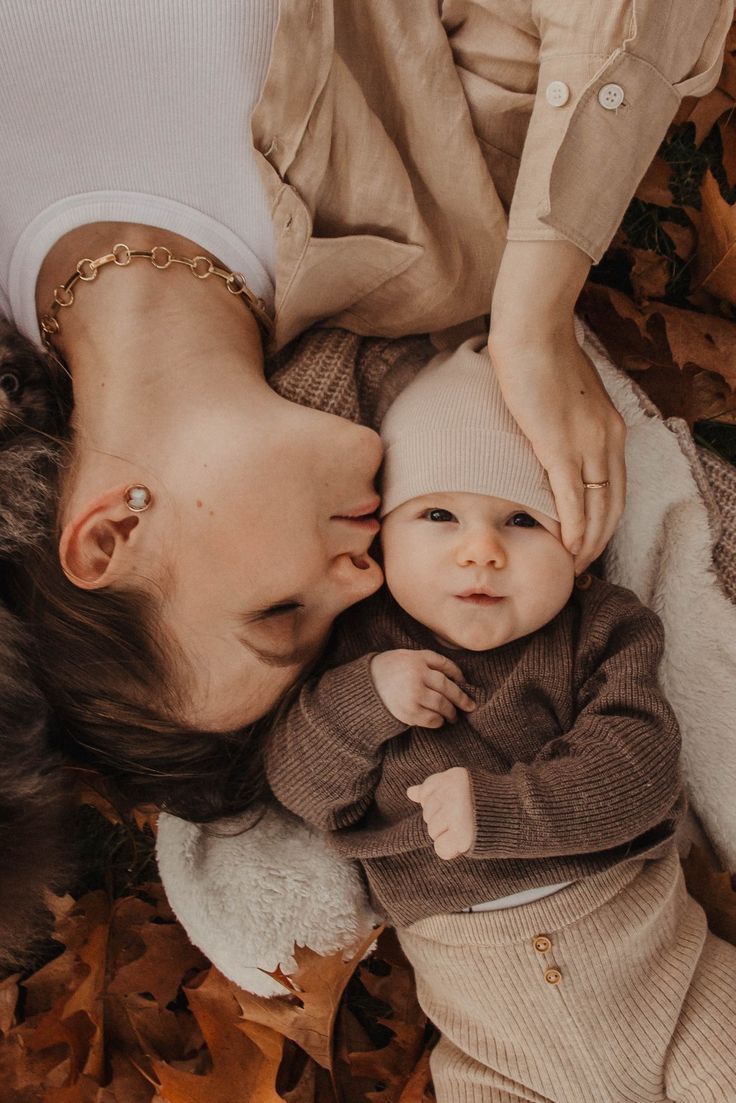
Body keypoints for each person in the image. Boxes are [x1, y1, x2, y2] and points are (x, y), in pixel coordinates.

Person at [0, 0, 731, 826]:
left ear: (110, 534)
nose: (368, 576)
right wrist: (534, 313)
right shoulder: (432, 247)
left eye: (279, 613)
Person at [265, 336, 736, 1102]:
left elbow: (639, 770)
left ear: (579, 551)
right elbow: (300, 784)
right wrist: (365, 700)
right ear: (382, 531)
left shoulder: (601, 629)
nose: (480, 550)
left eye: (522, 520)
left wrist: (501, 809)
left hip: (670, 985)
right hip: (500, 1052)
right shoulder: (355, 645)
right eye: (439, 514)